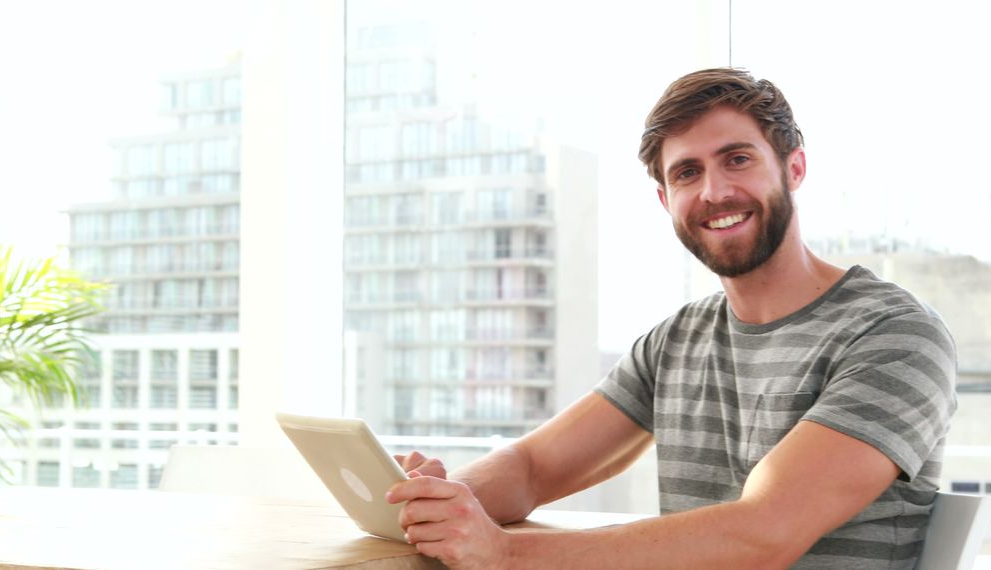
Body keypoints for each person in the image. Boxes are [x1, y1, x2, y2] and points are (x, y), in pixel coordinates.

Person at [385, 68, 957, 569]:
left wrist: (504, 555)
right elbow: (533, 466)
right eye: (686, 173)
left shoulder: (893, 334)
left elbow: (762, 536)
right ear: (666, 201)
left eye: (737, 159)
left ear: (794, 168)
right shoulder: (678, 339)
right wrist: (444, 498)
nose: (714, 191)